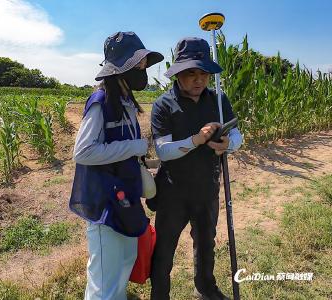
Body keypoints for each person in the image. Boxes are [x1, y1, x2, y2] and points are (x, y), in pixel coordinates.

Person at [70, 31, 163, 300]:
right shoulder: (100, 103)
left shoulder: (126, 103)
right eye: (137, 64)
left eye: (143, 63)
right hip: (105, 204)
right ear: (119, 68)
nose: (143, 69)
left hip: (125, 197)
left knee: (122, 266)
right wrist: (132, 148)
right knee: (104, 280)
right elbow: (83, 152)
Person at [149, 37, 243, 300]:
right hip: (172, 191)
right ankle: (159, 295)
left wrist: (228, 144)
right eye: (191, 73)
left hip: (207, 188)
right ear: (178, 73)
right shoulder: (163, 105)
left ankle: (206, 288)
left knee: (205, 245)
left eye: (203, 73)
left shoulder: (218, 100)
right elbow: (163, 150)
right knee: (165, 249)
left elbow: (238, 135)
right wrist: (196, 140)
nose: (198, 79)